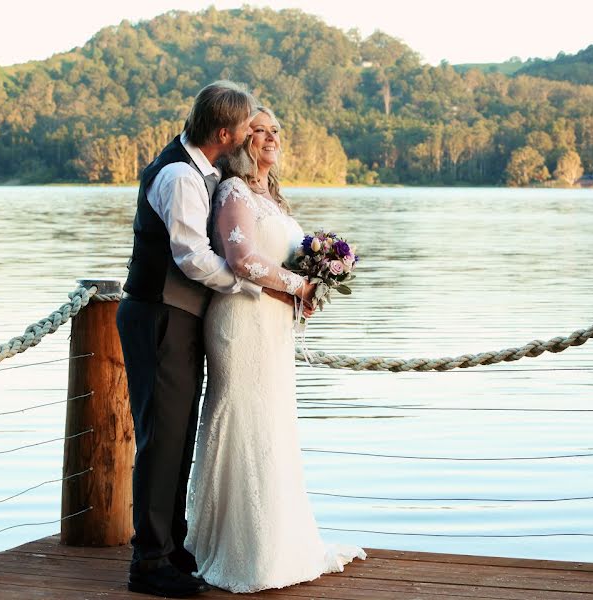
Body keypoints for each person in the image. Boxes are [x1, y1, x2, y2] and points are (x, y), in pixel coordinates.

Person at [184, 106, 366, 593]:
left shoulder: (275, 200)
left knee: (273, 422)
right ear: (241, 141)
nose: (268, 137)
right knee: (243, 417)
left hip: (274, 326)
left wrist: (313, 283)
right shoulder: (233, 191)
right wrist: (298, 285)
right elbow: (241, 258)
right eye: (258, 130)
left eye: (274, 131)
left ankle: (280, 541)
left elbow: (278, 255)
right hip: (239, 323)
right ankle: (236, 548)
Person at [116, 80, 259, 598]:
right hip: (159, 315)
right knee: (160, 441)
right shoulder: (179, 175)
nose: (250, 132)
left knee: (175, 439)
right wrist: (248, 282)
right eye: (246, 125)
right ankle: (148, 564)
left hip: (175, 317)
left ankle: (171, 549)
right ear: (224, 131)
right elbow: (192, 257)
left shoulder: (204, 170)